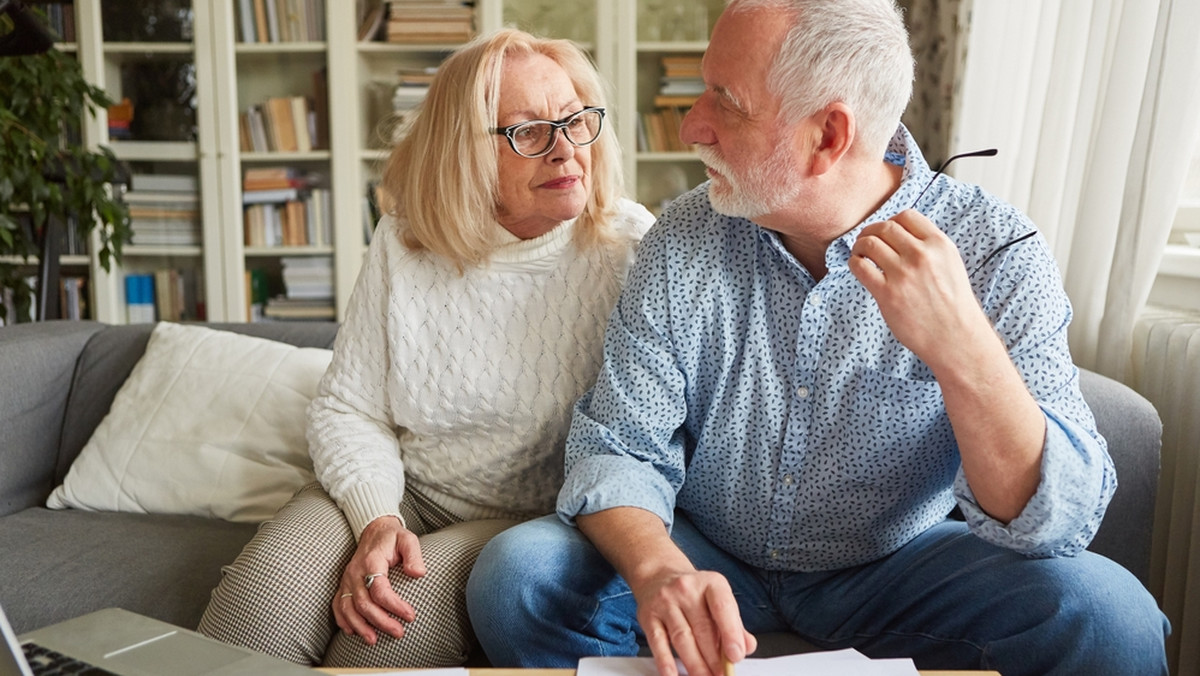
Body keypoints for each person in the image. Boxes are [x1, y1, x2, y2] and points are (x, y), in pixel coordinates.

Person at [465, 2, 1170, 675]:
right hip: (709, 552)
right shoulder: (682, 240)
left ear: (828, 135)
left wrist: (964, 350)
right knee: (519, 578)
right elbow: (618, 448)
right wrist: (659, 571)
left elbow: (1055, 522)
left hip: (901, 566)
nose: (692, 127)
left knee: (1111, 619)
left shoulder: (995, 250)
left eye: (725, 102)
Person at [197, 28, 654, 668]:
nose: (565, 150)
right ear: (463, 152)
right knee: (257, 608)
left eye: (576, 120)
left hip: (529, 523)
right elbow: (350, 408)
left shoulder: (632, 247)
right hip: (407, 490)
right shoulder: (405, 238)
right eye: (528, 132)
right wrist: (377, 520)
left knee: (374, 639)